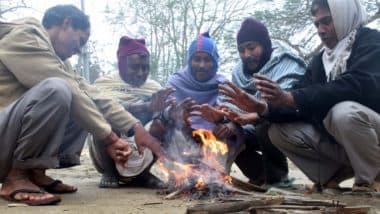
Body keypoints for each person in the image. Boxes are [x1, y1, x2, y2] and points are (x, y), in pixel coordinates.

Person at [0, 5, 164, 206]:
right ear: (66, 23)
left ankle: (35, 172)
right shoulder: (23, 36)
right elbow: (67, 88)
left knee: (81, 100)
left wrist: (135, 127)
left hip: (8, 137)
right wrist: (110, 139)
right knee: (59, 90)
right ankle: (16, 177)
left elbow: (92, 95)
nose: (79, 50)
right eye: (80, 41)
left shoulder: (57, 60)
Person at [220, 0, 380, 193]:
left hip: (372, 133)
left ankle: (369, 180)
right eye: (317, 24)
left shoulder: (371, 41)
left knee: (343, 112)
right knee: (278, 132)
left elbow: (357, 85)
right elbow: (299, 100)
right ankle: (332, 176)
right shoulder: (321, 61)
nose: (320, 30)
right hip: (342, 138)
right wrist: (263, 108)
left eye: (327, 21)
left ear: (344, 16)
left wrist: (290, 98)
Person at [196, 18, 306, 187]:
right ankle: (259, 175)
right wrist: (225, 120)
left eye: (252, 48)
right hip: (252, 126)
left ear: (265, 45)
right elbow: (234, 104)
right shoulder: (238, 72)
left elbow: (292, 105)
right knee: (226, 133)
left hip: (288, 126)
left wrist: (257, 114)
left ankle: (278, 180)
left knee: (266, 125)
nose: (246, 55)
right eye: (241, 50)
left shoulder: (286, 63)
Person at [88, 36, 174, 188]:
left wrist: (167, 110)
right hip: (108, 148)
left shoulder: (154, 87)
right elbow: (102, 108)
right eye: (134, 67)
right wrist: (142, 107)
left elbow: (161, 116)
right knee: (104, 119)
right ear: (121, 64)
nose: (140, 73)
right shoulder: (105, 84)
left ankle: (142, 174)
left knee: (163, 123)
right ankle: (110, 172)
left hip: (141, 146)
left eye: (145, 67)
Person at [155, 32, 243, 173]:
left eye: (207, 60)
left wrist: (224, 121)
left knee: (212, 179)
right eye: (197, 59)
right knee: (170, 128)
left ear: (215, 63)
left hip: (213, 140)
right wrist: (176, 114)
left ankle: (215, 173)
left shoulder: (224, 85)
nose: (202, 65)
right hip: (183, 140)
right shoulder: (175, 82)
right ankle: (180, 172)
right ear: (190, 61)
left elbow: (235, 115)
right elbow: (160, 113)